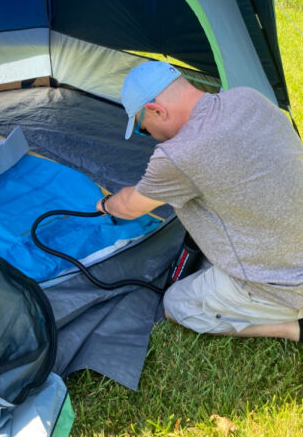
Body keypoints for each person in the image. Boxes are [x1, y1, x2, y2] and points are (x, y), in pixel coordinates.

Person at [96, 61, 303, 342]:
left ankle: (292, 328)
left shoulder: (178, 155)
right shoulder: (248, 97)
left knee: (175, 305)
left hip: (284, 284)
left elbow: (130, 207)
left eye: (145, 129)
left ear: (158, 111)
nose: (151, 138)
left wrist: (106, 204)